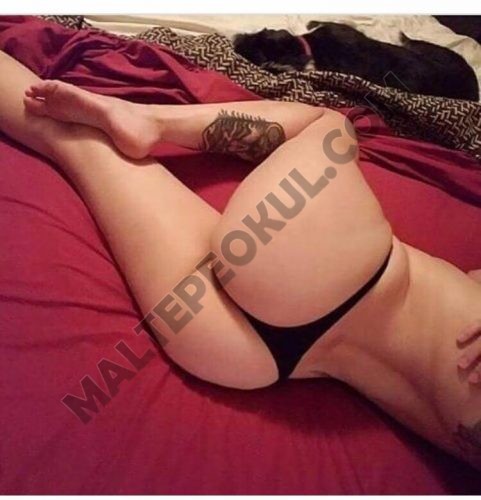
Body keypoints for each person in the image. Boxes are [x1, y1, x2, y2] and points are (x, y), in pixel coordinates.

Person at [1, 49, 481, 471]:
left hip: (330, 266)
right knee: (71, 142)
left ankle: (152, 121)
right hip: (245, 353)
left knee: (331, 129)